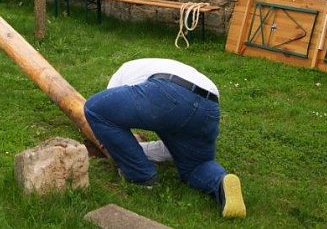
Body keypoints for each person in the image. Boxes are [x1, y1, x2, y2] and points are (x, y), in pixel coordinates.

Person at [85, 58, 246, 219]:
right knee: (196, 167)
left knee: (95, 109)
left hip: (170, 92)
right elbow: (169, 151)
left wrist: (120, 151)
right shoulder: (148, 67)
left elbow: (107, 115)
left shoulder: (118, 79)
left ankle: (141, 176)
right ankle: (221, 181)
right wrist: (143, 150)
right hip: (208, 107)